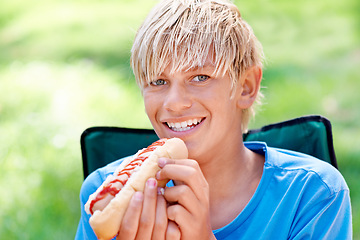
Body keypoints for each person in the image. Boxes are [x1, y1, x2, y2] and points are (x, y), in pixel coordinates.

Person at [75, 0, 352, 239]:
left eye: (199, 78)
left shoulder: (313, 194)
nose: (174, 102)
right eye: (158, 81)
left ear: (245, 87)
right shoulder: (102, 195)